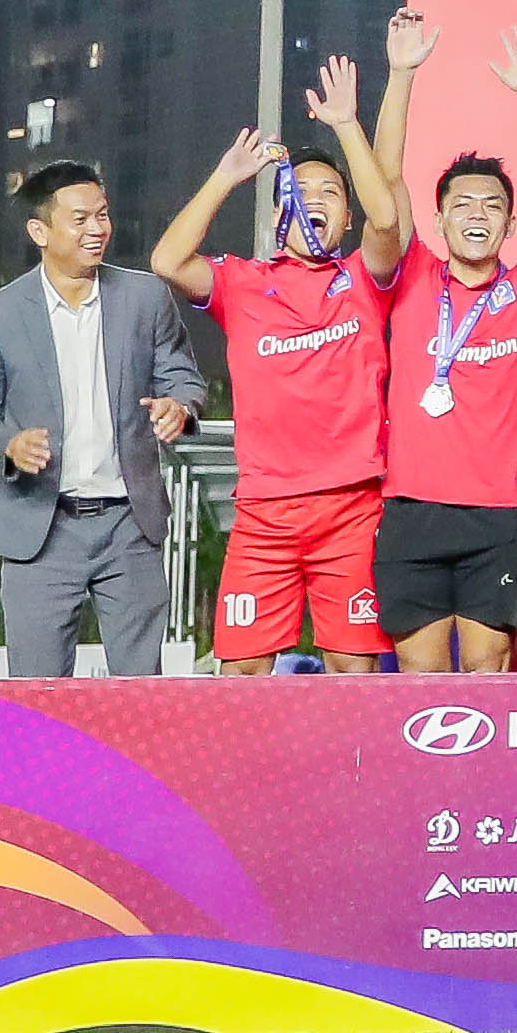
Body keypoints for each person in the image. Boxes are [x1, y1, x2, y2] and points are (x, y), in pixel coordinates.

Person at [146, 62, 402, 675]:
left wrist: (346, 126)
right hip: (264, 511)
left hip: (352, 505)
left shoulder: (364, 280)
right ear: (276, 212)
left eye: (329, 194)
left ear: (346, 219)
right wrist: (227, 176)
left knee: (353, 671)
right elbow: (167, 260)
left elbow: (388, 220)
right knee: (241, 674)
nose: (313, 201)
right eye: (299, 191)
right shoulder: (242, 283)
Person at [0, 157, 205, 677]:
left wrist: (179, 407)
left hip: (130, 525)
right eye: (80, 219)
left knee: (141, 691)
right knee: (39, 692)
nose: (98, 229)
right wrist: (9, 443)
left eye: (103, 214)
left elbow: (184, 378)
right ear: (39, 231)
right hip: (39, 528)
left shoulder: (145, 298)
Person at [366, 9, 517, 671]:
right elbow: (386, 183)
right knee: (419, 679)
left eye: (492, 206)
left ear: (510, 224)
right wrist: (401, 74)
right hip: (412, 508)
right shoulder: (414, 275)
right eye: (462, 205)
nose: (477, 214)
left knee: (487, 672)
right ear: (438, 220)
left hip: (495, 515)